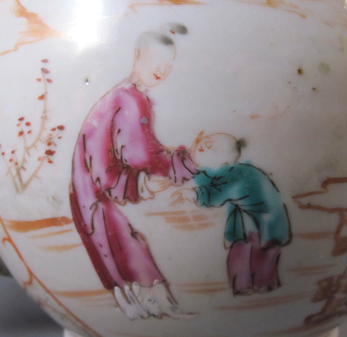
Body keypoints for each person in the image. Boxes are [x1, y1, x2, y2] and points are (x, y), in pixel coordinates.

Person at [70, 24, 195, 320]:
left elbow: (142, 150)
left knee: (117, 238)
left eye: (167, 65)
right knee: (113, 237)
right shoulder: (128, 98)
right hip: (95, 183)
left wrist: (172, 164)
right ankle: (141, 302)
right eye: (155, 61)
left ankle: (148, 302)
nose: (161, 70)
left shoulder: (130, 95)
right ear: (138, 55)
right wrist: (181, 163)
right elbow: (139, 153)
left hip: (93, 183)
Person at [171, 132, 291, 295]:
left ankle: (262, 285)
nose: (196, 156)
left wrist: (192, 195)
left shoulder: (239, 175)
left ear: (221, 159)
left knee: (261, 253)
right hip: (250, 222)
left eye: (202, 150)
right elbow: (210, 182)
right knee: (243, 250)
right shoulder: (234, 171)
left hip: (268, 224)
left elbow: (217, 195)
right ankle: (245, 286)